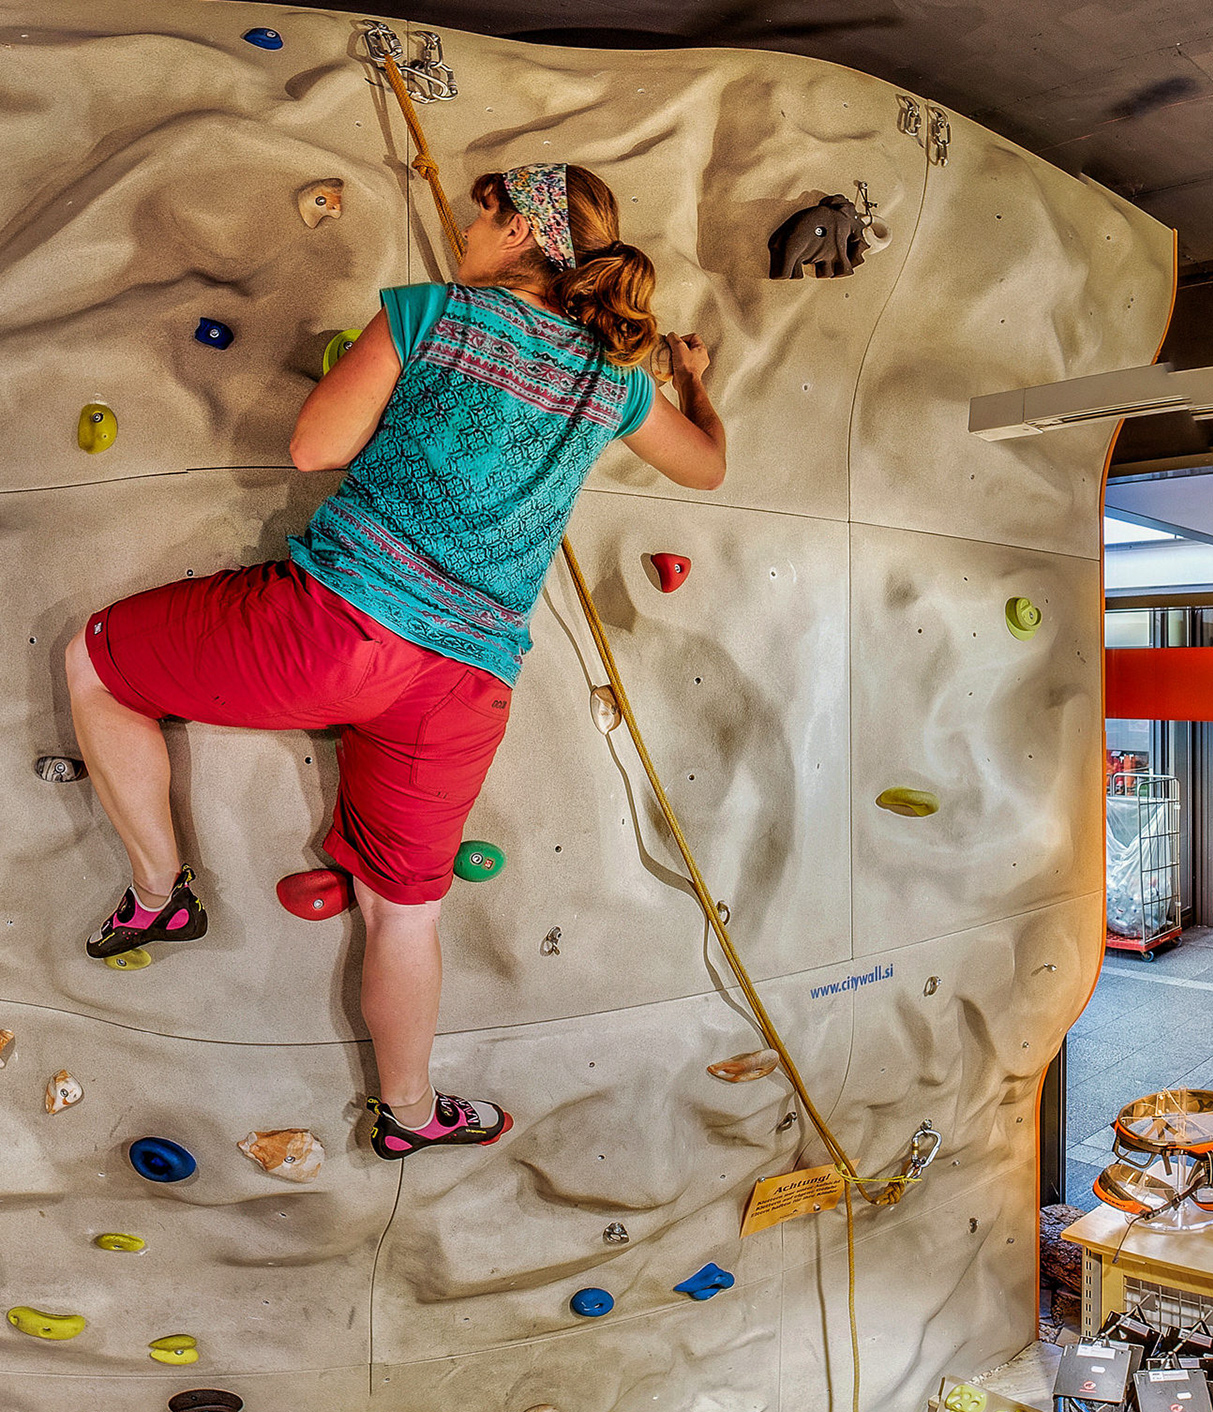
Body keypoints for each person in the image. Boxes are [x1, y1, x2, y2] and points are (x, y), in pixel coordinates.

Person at [65, 163, 725, 1159]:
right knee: (403, 911)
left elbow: (314, 446)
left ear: (517, 236)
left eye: (482, 215)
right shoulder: (617, 383)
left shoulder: (440, 314)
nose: (468, 229)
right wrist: (696, 384)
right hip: (467, 683)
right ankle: (411, 1116)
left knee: (95, 662)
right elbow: (710, 466)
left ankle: (161, 897)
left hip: (341, 631)